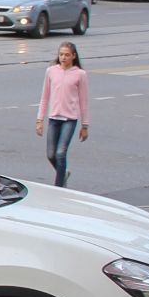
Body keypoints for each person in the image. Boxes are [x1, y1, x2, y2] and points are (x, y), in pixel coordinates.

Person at [36, 42, 90, 188]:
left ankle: (59, 187)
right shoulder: (51, 71)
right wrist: (39, 120)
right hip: (54, 118)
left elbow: (83, 100)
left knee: (60, 153)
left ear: (73, 56)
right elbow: (45, 96)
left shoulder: (80, 74)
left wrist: (85, 125)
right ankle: (64, 172)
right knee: (51, 154)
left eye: (67, 55)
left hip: (69, 119)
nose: (63, 57)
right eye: (61, 54)